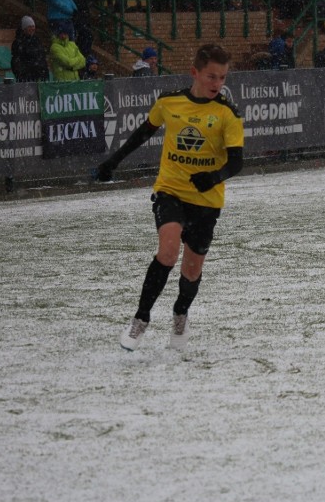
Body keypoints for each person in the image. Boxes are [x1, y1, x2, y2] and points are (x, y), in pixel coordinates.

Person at [94, 44, 244, 352]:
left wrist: (213, 177)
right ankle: (140, 319)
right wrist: (113, 161)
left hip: (207, 201)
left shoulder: (227, 113)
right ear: (195, 73)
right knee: (168, 251)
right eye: (211, 76)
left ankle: (180, 313)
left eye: (222, 78)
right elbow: (142, 133)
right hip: (171, 191)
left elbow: (237, 161)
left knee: (191, 269)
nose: (217, 84)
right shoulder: (169, 102)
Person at [11, 15, 49, 82]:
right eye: (29, 27)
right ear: (24, 28)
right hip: (27, 77)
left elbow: (42, 57)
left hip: (40, 76)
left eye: (33, 26)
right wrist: (22, 74)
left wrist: (44, 71)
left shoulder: (37, 40)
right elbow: (16, 61)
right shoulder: (18, 42)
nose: (32, 28)